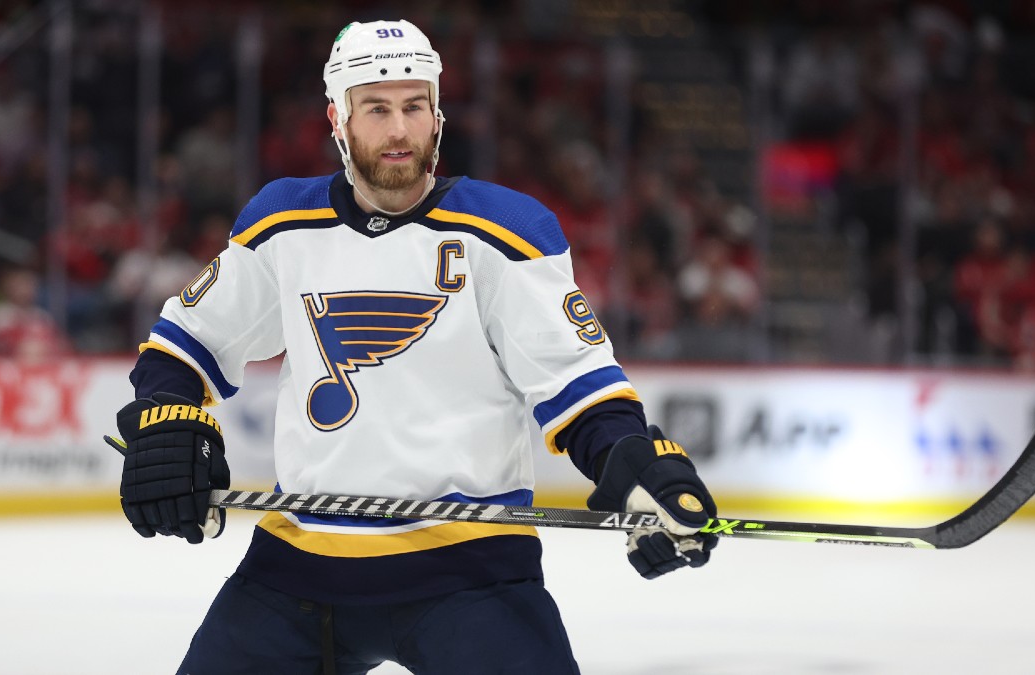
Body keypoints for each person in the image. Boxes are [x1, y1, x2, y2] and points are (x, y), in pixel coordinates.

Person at [110, 19, 718, 674]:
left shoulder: (505, 232)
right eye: (376, 108)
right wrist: (166, 420)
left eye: (414, 106)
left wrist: (634, 459)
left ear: (437, 114)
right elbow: (185, 342)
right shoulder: (282, 224)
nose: (399, 130)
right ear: (338, 119)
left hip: (471, 569)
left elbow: (580, 385)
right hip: (297, 567)